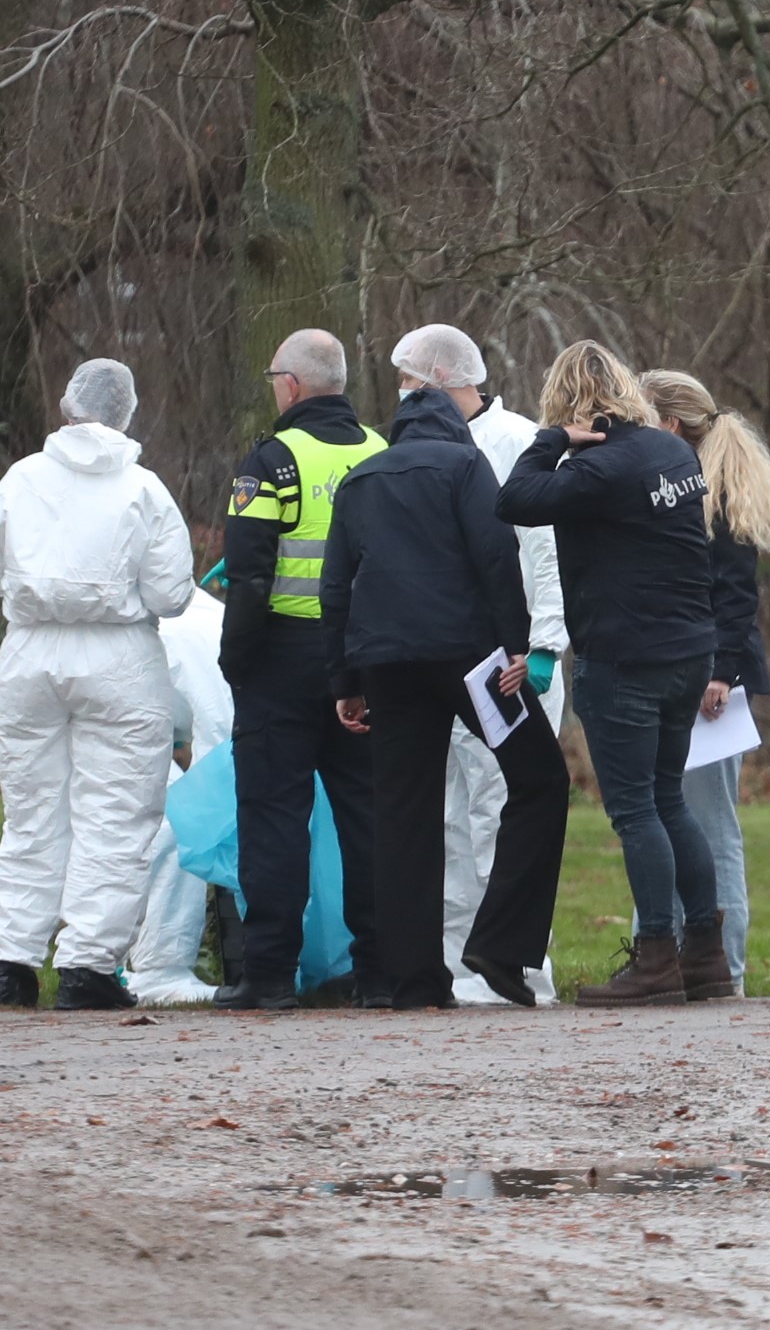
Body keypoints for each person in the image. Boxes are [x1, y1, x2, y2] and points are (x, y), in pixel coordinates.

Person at [321, 373, 571, 1010]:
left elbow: (335, 588)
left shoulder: (360, 479)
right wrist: (518, 644)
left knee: (403, 814)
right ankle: (501, 943)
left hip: (388, 666)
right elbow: (495, 555)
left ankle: (414, 982)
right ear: (454, 427)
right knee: (540, 779)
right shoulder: (466, 463)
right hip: (472, 662)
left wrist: (345, 682)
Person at [499, 341, 728, 1007]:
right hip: (689, 652)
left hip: (626, 660)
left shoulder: (597, 467)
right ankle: (705, 954)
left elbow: (514, 500)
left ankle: (656, 955)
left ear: (565, 398)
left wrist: (550, 440)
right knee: (668, 800)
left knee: (634, 810)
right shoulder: (670, 452)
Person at [0, 358, 197, 1010]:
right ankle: (87, 965)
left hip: (30, 653)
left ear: (68, 406)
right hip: (119, 658)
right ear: (126, 412)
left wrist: (39, 587)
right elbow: (171, 593)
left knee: (32, 814)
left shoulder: (21, 479)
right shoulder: (143, 490)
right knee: (117, 814)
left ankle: (9, 963)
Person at [390, 324, 571, 1006]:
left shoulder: (518, 443)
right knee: (449, 815)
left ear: (438, 378)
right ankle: (458, 962)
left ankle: (521, 964)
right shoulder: (415, 449)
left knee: (502, 807)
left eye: (409, 379)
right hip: (449, 657)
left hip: (511, 663)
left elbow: (550, 551)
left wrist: (547, 645)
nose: (402, 393)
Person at [217, 328, 389, 1010]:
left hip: (284, 658)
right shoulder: (384, 452)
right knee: (370, 817)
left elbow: (251, 575)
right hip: (367, 659)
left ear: (290, 384)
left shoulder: (274, 461)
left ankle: (268, 977)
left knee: (273, 817)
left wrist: (236, 661)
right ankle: (378, 972)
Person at [644, 369, 770, 995]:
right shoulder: (689, 487)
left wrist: (721, 673)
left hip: (711, 684)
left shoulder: (715, 495)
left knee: (709, 823)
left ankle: (721, 963)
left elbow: (735, 593)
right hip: (697, 673)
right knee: (676, 816)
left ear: (672, 425)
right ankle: (675, 954)